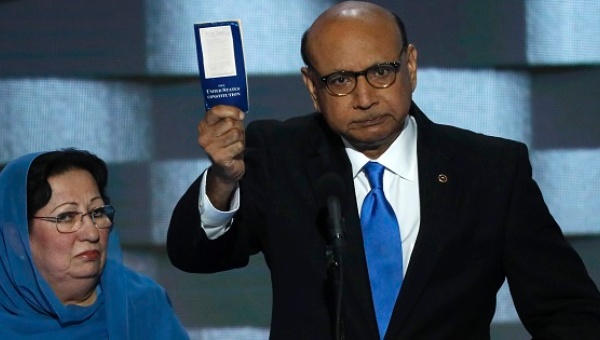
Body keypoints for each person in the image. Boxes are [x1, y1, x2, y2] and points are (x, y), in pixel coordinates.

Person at [167, 1, 600, 339]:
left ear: (409, 65)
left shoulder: (490, 170)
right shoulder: (279, 154)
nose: (365, 98)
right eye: (340, 80)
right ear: (312, 88)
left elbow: (570, 312)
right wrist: (224, 180)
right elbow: (194, 255)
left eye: (381, 72)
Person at [0, 149, 190, 339]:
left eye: (97, 213)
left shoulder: (142, 304)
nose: (91, 233)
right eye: (66, 217)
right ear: (16, 238)